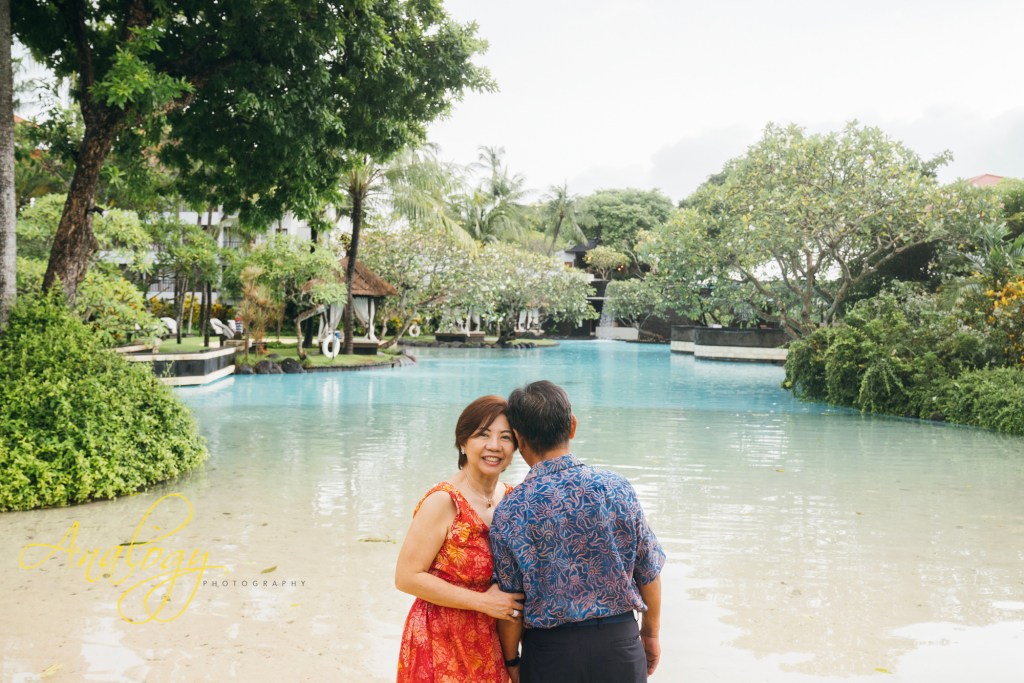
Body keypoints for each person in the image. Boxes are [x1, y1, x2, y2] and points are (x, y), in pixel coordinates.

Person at [490, 380, 666, 683]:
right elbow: (648, 572)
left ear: (518, 438)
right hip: (619, 645)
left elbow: (512, 603)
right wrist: (650, 633)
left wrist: (511, 659)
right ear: (572, 426)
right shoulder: (617, 488)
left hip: (549, 654)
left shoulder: (510, 510)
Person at [395, 395, 527, 683]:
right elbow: (406, 577)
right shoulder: (444, 500)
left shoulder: (513, 499)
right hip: (440, 641)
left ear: (516, 447)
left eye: (505, 437)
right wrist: (482, 603)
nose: (494, 445)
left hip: (493, 643)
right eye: (483, 434)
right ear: (463, 442)